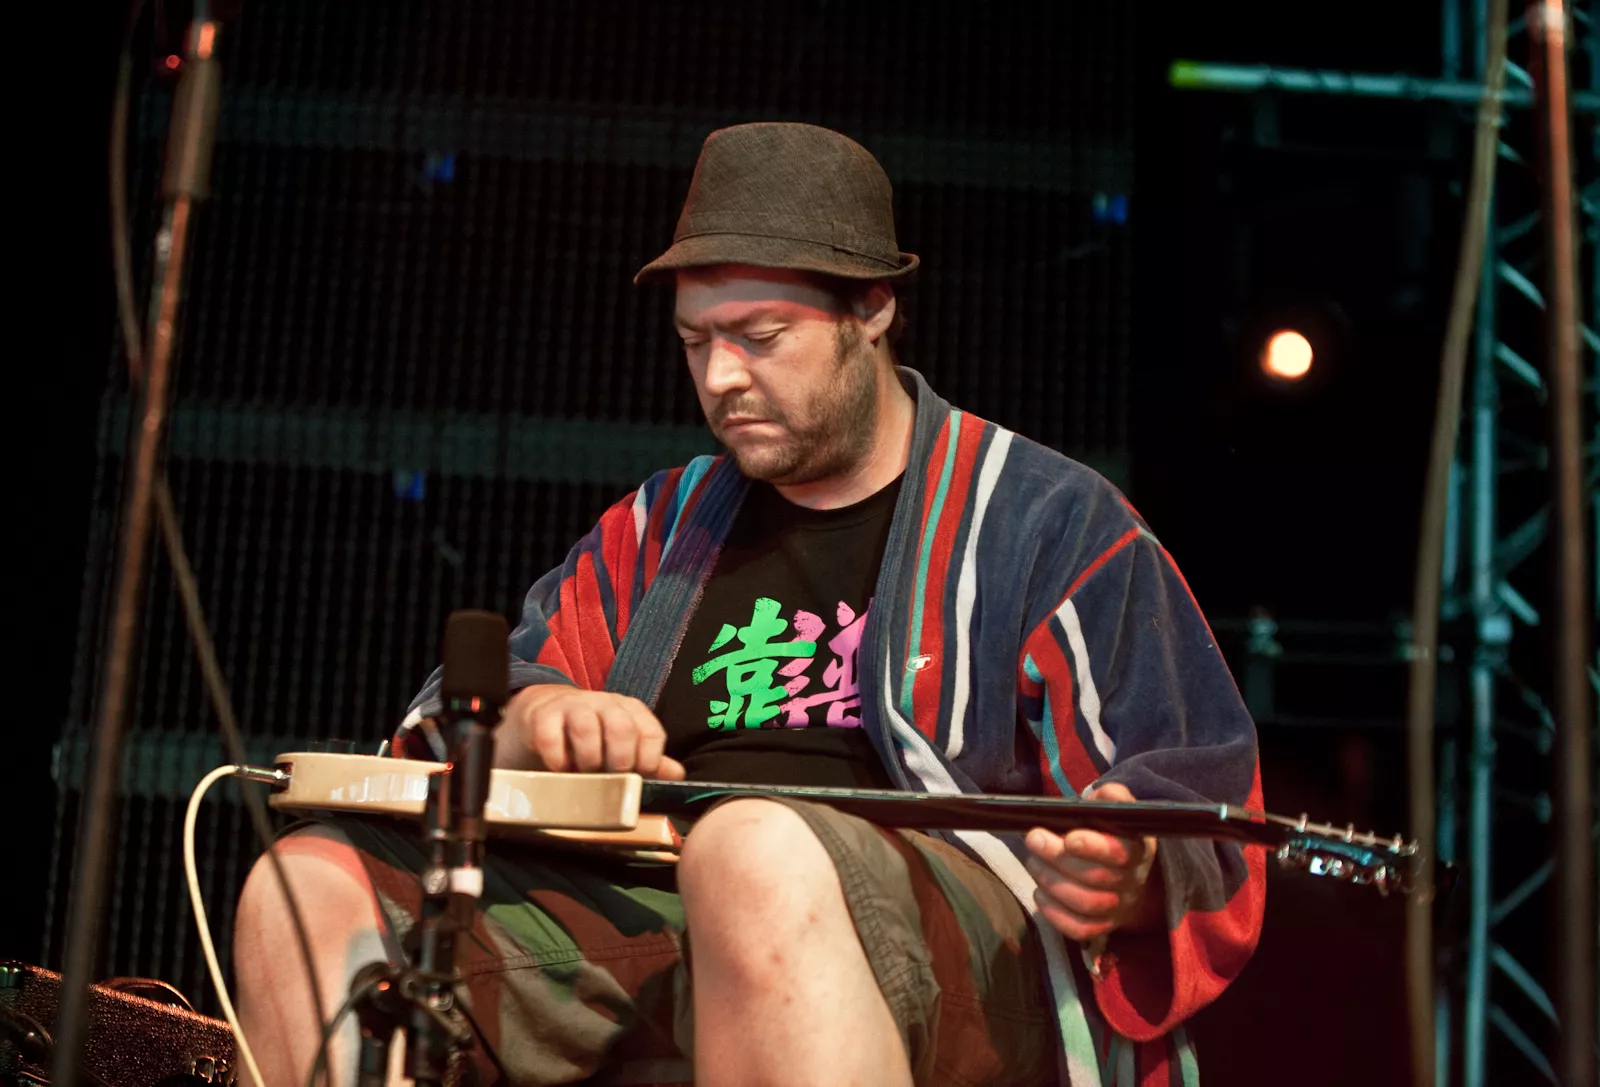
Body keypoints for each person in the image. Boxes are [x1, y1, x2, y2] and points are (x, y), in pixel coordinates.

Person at [235, 122, 1265, 1087]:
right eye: (696, 341)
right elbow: (454, 725)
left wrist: (1130, 872)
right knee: (305, 883)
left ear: (873, 309)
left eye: (760, 335)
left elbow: (1200, 805)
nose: (722, 376)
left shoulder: (1049, 520)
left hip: (963, 954)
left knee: (752, 846)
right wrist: (538, 716)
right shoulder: (661, 525)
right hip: (670, 909)